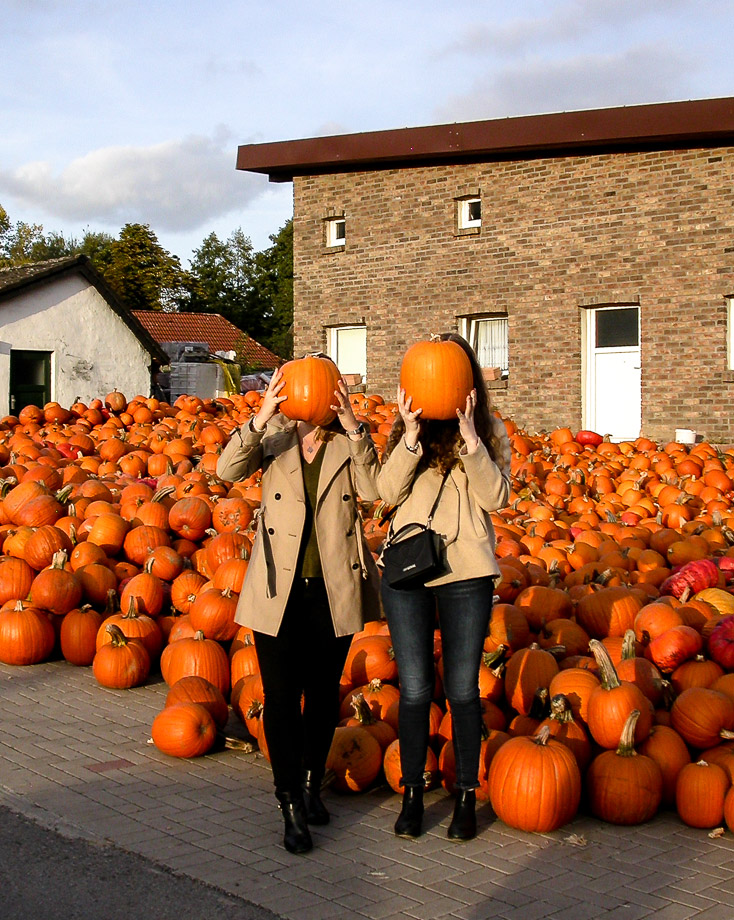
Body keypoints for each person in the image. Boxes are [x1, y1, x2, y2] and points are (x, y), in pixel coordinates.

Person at [216, 363, 382, 855]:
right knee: (282, 700)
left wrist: (355, 428)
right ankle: (288, 800)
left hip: (333, 588)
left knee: (323, 696)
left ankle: (311, 783)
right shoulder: (275, 438)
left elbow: (377, 492)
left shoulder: (345, 443)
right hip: (277, 589)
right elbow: (226, 470)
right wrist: (262, 412)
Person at [376, 333, 512, 841]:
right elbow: (383, 492)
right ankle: (412, 794)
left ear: (468, 381)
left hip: (467, 573)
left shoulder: (488, 430)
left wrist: (471, 439)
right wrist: (410, 435)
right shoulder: (405, 431)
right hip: (409, 572)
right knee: (413, 690)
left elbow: (497, 497)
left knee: (461, 690)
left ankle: (465, 798)